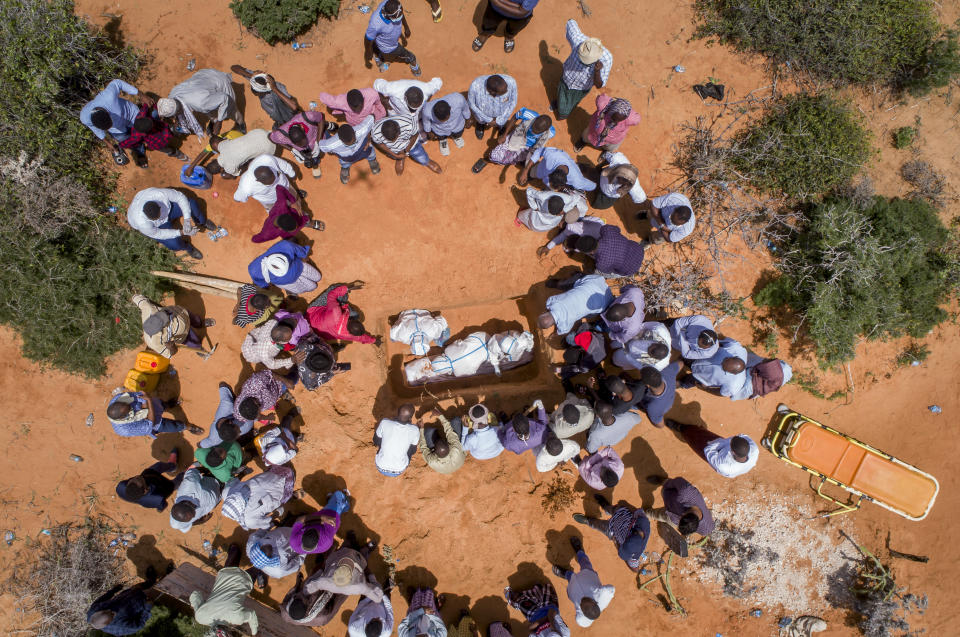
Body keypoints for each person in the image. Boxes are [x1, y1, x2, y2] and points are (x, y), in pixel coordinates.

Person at [127, 187, 214, 259]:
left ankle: (202, 222)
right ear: (148, 218)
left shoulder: (159, 194)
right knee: (174, 244)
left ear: (159, 205)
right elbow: (159, 233)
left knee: (192, 204)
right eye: (155, 218)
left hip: (169, 211)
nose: (159, 217)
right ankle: (188, 247)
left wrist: (187, 219)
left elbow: (180, 197)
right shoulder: (143, 224)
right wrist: (182, 232)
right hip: (159, 226)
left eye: (158, 214)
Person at [190, 544, 259, 634]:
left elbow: (252, 614)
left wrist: (254, 633)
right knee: (234, 550)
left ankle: (260, 570)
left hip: (245, 580)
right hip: (226, 574)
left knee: (260, 566)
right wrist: (195, 606)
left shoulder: (238, 619)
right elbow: (195, 594)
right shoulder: (200, 617)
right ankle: (235, 550)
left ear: (228, 633)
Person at [159, 68, 245, 139]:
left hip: (220, 83)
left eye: (173, 116)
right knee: (210, 110)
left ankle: (241, 124)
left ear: (177, 111)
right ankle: (214, 120)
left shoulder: (200, 103)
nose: (174, 118)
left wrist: (219, 123)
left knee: (231, 111)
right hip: (203, 77)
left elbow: (224, 98)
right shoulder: (173, 94)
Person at [573, 494, 649, 571]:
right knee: (612, 509)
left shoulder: (634, 555)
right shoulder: (643, 522)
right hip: (621, 514)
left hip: (612, 531)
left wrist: (638, 570)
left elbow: (634, 568)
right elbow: (634, 510)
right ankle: (604, 505)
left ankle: (588, 521)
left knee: (598, 525)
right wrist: (624, 506)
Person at [554, 19, 612, 120]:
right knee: (561, 93)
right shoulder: (578, 40)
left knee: (567, 107)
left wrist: (597, 71)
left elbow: (599, 85)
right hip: (567, 77)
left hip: (580, 88)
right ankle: (560, 103)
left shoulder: (606, 59)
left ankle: (563, 113)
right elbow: (571, 23)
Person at [80, 79, 145, 166]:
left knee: (144, 129)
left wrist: (142, 95)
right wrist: (109, 145)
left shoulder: (108, 97)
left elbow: (118, 83)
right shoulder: (84, 117)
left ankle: (150, 139)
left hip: (131, 114)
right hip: (118, 131)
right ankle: (140, 151)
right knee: (131, 142)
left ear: (107, 112)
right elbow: (96, 130)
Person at [551, 536, 614, 627]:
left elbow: (582, 622)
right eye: (586, 601)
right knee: (584, 562)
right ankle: (579, 550)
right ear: (595, 602)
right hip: (588, 574)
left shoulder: (582, 619)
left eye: (581, 606)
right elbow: (611, 589)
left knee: (570, 577)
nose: (581, 602)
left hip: (573, 587)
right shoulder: (603, 595)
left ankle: (565, 573)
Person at [664, 420, 760, 478]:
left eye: (731, 442)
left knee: (694, 439)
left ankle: (681, 428)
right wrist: (725, 442)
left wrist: (716, 442)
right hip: (720, 445)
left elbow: (708, 450)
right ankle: (700, 431)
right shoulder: (754, 450)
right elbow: (742, 435)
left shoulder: (723, 465)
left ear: (733, 452)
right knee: (705, 434)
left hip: (712, 450)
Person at [301, 535, 384, 602]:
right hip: (359, 559)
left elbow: (307, 589)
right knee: (363, 553)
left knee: (347, 544)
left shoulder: (323, 582)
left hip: (342, 553)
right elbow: (378, 598)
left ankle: (351, 540)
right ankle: (366, 548)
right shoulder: (360, 587)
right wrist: (367, 570)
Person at [475, 108, 554, 173]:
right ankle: (487, 159)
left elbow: (539, 148)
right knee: (495, 155)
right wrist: (504, 135)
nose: (533, 131)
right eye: (533, 127)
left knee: (526, 160)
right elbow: (514, 118)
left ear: (545, 130)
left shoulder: (550, 133)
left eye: (537, 131)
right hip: (517, 137)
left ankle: (518, 160)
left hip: (528, 147)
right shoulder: (527, 114)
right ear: (536, 119)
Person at [133, 293, 213, 357]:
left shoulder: (149, 309)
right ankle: (198, 349)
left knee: (194, 319)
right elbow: (170, 354)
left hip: (181, 312)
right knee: (193, 341)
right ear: (160, 329)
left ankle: (200, 323)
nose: (168, 317)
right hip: (183, 333)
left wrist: (136, 297)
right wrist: (172, 347)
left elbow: (137, 298)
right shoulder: (154, 342)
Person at [221, 465, 297, 530]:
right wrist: (278, 512)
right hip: (277, 487)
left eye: (236, 494)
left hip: (273, 479)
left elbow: (234, 481)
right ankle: (290, 495)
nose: (243, 492)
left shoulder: (226, 492)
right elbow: (268, 520)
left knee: (287, 472)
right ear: (242, 508)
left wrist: (244, 473)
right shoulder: (250, 521)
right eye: (243, 497)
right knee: (288, 475)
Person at [306, 281, 380, 345]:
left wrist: (347, 288)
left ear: (352, 320)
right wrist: (375, 341)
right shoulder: (349, 335)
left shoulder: (336, 312)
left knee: (335, 289)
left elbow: (331, 295)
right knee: (353, 313)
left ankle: (343, 299)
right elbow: (361, 338)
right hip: (317, 333)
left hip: (311, 314)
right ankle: (342, 302)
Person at [538, 273, 612, 335]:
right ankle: (557, 283)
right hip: (595, 281)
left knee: (588, 315)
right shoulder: (552, 301)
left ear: (551, 325)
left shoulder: (564, 324)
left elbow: (561, 331)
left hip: (604, 301)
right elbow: (548, 305)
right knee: (570, 285)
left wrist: (555, 333)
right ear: (544, 312)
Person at [316, 114, 381, 184]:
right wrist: (368, 137)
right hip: (366, 151)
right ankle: (373, 164)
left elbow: (320, 145)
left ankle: (345, 168)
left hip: (347, 159)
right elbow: (372, 116)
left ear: (339, 138)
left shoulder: (332, 143)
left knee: (344, 163)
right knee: (371, 155)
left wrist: (321, 126)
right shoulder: (361, 129)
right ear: (354, 131)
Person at [269, 109, 334, 179]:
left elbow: (321, 117)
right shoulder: (280, 135)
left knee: (329, 142)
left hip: (320, 137)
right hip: (305, 152)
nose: (305, 146)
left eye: (305, 142)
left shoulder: (308, 117)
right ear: (291, 141)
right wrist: (292, 149)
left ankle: (329, 126)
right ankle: (315, 164)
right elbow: (271, 138)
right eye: (299, 145)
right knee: (313, 158)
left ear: (303, 131)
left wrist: (318, 142)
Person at [119, 101, 188, 164]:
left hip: (163, 129)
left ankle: (178, 133)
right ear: (145, 132)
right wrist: (120, 146)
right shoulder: (137, 136)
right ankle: (177, 153)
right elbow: (127, 143)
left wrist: (156, 107)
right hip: (158, 143)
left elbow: (148, 103)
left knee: (173, 129)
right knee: (168, 150)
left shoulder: (141, 115)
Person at [372, 113, 442, 175]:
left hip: (411, 146)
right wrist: (395, 155)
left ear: (399, 131)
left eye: (395, 139)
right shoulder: (375, 131)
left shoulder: (409, 122)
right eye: (390, 140)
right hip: (394, 150)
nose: (394, 142)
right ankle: (400, 159)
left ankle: (426, 161)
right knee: (397, 155)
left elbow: (415, 135)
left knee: (419, 154)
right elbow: (380, 144)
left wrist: (406, 151)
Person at [106, 391, 197, 438]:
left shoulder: (118, 399)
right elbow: (150, 423)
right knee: (173, 426)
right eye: (129, 409)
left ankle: (169, 405)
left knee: (162, 405)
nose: (130, 406)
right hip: (155, 423)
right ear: (124, 417)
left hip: (151, 408)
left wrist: (145, 407)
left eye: (127, 404)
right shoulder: (124, 430)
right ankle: (188, 427)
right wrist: (148, 401)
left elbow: (139, 395)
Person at [365, 1, 422, 76]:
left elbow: (400, 14)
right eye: (397, 17)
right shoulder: (375, 25)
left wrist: (406, 27)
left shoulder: (390, 4)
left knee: (377, 47)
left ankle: (378, 59)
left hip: (382, 40)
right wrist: (368, 52)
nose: (400, 17)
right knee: (411, 57)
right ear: (389, 16)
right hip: (390, 47)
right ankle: (416, 70)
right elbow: (368, 39)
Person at [252, 184, 324, 243]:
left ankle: (308, 223)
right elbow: (255, 239)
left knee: (300, 213)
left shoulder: (282, 205)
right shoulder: (268, 233)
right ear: (281, 229)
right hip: (286, 231)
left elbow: (279, 188)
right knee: (291, 240)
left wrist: (294, 202)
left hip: (288, 211)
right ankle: (306, 224)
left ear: (288, 215)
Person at [248, 239, 323, 295]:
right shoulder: (253, 270)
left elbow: (302, 253)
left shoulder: (286, 246)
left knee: (318, 277)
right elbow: (261, 283)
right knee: (313, 287)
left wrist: (304, 257)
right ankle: (290, 290)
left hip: (300, 267)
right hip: (288, 283)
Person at [645, 476, 714, 536]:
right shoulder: (686, 492)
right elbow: (677, 481)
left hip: (669, 515)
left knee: (659, 515)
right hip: (669, 494)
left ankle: (647, 513)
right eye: (681, 517)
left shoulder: (706, 529)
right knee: (667, 484)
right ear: (684, 514)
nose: (679, 517)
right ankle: (662, 480)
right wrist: (666, 484)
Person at [230, 67, 299, 126]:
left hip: (290, 118)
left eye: (256, 90)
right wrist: (250, 75)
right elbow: (234, 67)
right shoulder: (257, 80)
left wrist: (275, 89)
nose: (252, 89)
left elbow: (294, 107)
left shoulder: (276, 88)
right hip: (279, 120)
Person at [198, 128, 277, 178]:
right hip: (260, 132)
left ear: (221, 170)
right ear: (213, 160)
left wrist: (230, 173)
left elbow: (240, 172)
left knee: (249, 164)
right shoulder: (222, 146)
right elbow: (214, 141)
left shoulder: (229, 168)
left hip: (268, 147)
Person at [683, 337, 748, 397]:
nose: (721, 362)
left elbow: (721, 393)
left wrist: (706, 389)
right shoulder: (734, 347)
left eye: (723, 367)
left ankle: (681, 383)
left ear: (732, 373)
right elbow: (718, 340)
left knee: (685, 382)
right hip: (699, 358)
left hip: (701, 378)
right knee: (683, 357)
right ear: (735, 356)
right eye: (726, 359)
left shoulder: (733, 386)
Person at [290, 490, 351, 555]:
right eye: (316, 530)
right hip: (330, 516)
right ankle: (345, 504)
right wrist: (322, 518)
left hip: (320, 518)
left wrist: (322, 518)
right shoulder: (326, 540)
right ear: (319, 536)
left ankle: (331, 502)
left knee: (330, 503)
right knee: (338, 494)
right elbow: (332, 520)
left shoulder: (294, 543)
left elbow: (299, 519)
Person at [198, 383, 255, 448]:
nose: (240, 432)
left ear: (231, 423)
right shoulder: (214, 440)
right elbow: (203, 444)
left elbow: (222, 385)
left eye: (238, 431)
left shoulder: (227, 404)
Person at [576, 96, 640, 153]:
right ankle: (583, 141)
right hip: (594, 132)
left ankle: (606, 151)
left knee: (609, 148)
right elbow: (601, 98)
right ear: (611, 111)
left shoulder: (631, 119)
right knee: (587, 137)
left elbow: (637, 118)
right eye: (614, 118)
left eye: (620, 120)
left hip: (613, 139)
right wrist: (612, 101)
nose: (616, 122)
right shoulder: (603, 106)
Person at [86, 580, 152, 635]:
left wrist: (115, 589)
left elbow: (102, 599)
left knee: (140, 587)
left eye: (106, 610)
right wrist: (147, 609)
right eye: (112, 613)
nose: (110, 609)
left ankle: (151, 580)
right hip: (143, 603)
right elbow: (139, 625)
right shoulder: (120, 628)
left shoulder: (93, 610)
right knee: (157, 589)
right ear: (109, 622)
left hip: (127, 595)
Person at [472, 0, 540, 53]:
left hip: (519, 18)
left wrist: (499, 2)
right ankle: (485, 34)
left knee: (514, 29)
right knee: (488, 23)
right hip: (495, 10)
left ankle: (509, 36)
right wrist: (518, 7)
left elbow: (521, 12)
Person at [169, 465, 222, 533]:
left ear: (188, 504)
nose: (195, 516)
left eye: (193, 513)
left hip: (214, 481)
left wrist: (205, 469)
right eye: (191, 518)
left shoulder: (190, 483)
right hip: (216, 498)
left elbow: (192, 471)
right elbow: (182, 524)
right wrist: (200, 521)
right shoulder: (176, 521)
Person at [241, 316, 306, 370]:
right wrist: (291, 360)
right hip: (251, 354)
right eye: (290, 337)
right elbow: (272, 365)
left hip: (254, 339)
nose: (292, 336)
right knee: (265, 360)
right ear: (281, 342)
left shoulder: (272, 322)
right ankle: (262, 361)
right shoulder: (264, 353)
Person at [519, 147, 595, 191]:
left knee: (549, 190)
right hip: (541, 169)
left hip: (573, 172)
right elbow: (540, 151)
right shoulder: (552, 156)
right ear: (550, 174)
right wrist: (526, 170)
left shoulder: (577, 181)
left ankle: (580, 167)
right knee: (532, 173)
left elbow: (591, 186)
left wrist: (596, 186)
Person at [467, 74, 518, 141]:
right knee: (480, 120)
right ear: (492, 93)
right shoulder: (475, 85)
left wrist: (501, 119)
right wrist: (488, 119)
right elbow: (471, 104)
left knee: (501, 123)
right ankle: (480, 125)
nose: (507, 91)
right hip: (482, 116)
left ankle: (501, 127)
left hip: (502, 115)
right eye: (502, 94)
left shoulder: (511, 82)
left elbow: (513, 102)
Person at [375, 404, 421, 476]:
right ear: (411, 417)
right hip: (398, 470)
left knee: (382, 440)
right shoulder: (415, 430)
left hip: (380, 466)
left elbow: (376, 440)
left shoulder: (385, 422)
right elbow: (413, 451)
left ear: (398, 413)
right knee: (410, 449)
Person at [517, 187, 586, 232]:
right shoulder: (543, 196)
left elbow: (576, 198)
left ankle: (521, 218)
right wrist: (534, 207)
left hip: (540, 219)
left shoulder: (568, 202)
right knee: (528, 216)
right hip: (542, 221)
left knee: (525, 216)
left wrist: (535, 207)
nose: (561, 214)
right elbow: (529, 191)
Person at [374, 77, 443, 117]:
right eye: (412, 107)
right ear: (405, 98)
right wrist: (384, 102)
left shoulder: (427, 89)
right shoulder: (393, 89)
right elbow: (377, 84)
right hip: (395, 113)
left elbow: (438, 82)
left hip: (417, 116)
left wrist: (429, 96)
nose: (413, 111)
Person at [636, 363, 679, 427]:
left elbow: (660, 425)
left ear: (647, 385)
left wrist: (649, 414)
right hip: (668, 402)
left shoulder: (652, 408)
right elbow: (680, 363)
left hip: (655, 407)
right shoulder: (668, 372)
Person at [317, 87, 387, 126]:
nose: (358, 110)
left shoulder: (371, 94)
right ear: (348, 103)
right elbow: (322, 96)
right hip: (355, 122)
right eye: (354, 108)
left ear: (363, 99)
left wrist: (383, 112)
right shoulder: (341, 101)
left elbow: (378, 102)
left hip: (374, 115)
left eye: (360, 106)